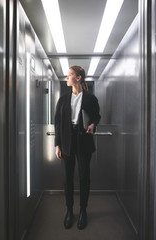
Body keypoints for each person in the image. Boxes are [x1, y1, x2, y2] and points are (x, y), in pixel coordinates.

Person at [54, 65, 101, 230]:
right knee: (67, 178)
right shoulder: (63, 99)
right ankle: (69, 211)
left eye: (69, 75)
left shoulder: (90, 98)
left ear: (78, 78)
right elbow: (58, 123)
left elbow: (96, 116)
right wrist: (57, 144)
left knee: (84, 177)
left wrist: (93, 124)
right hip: (67, 140)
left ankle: (82, 211)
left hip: (84, 140)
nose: (66, 78)